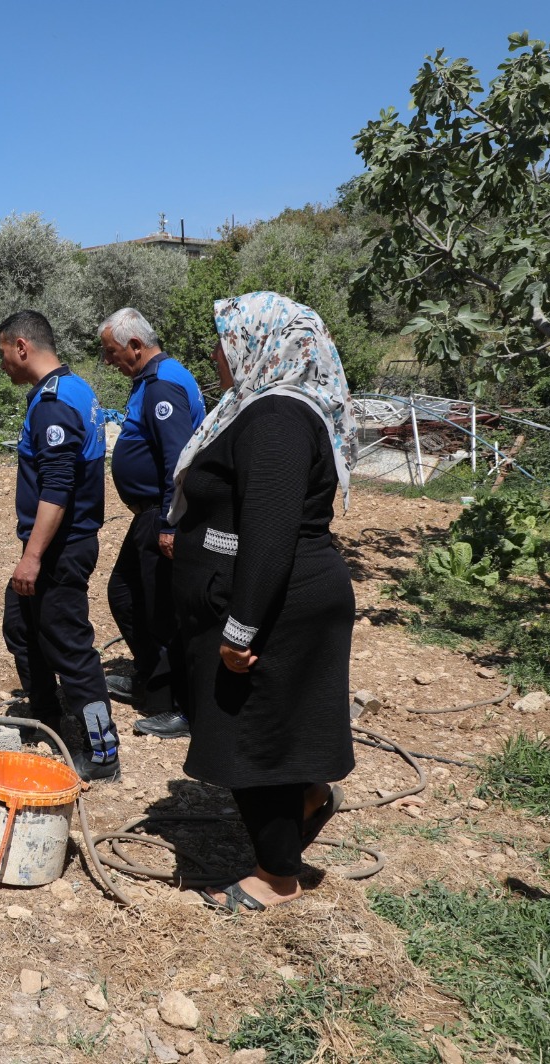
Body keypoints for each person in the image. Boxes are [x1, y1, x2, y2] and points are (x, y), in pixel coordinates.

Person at [167, 291, 357, 911]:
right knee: (267, 726)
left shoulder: (276, 415)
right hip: (268, 594)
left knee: (253, 737)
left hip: (275, 603)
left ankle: (277, 876)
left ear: (262, 344)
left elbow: (270, 534)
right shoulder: (257, 407)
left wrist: (240, 629)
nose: (218, 355)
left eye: (226, 341)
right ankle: (305, 800)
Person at [0, 310, 120, 783]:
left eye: (3, 352)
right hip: (58, 545)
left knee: (70, 646)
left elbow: (57, 486)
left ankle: (102, 750)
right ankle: (49, 724)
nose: (2, 362)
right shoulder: (74, 388)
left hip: (60, 549)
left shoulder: (53, 403)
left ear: (22, 347)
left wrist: (32, 556)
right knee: (22, 626)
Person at [100, 308, 205, 740]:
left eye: (112, 353)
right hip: (151, 513)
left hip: (163, 514)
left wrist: (168, 522)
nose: (109, 361)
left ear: (136, 347)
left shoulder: (162, 385)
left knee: (159, 608)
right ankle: (150, 678)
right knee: (126, 594)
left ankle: (176, 704)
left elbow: (176, 461)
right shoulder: (152, 380)